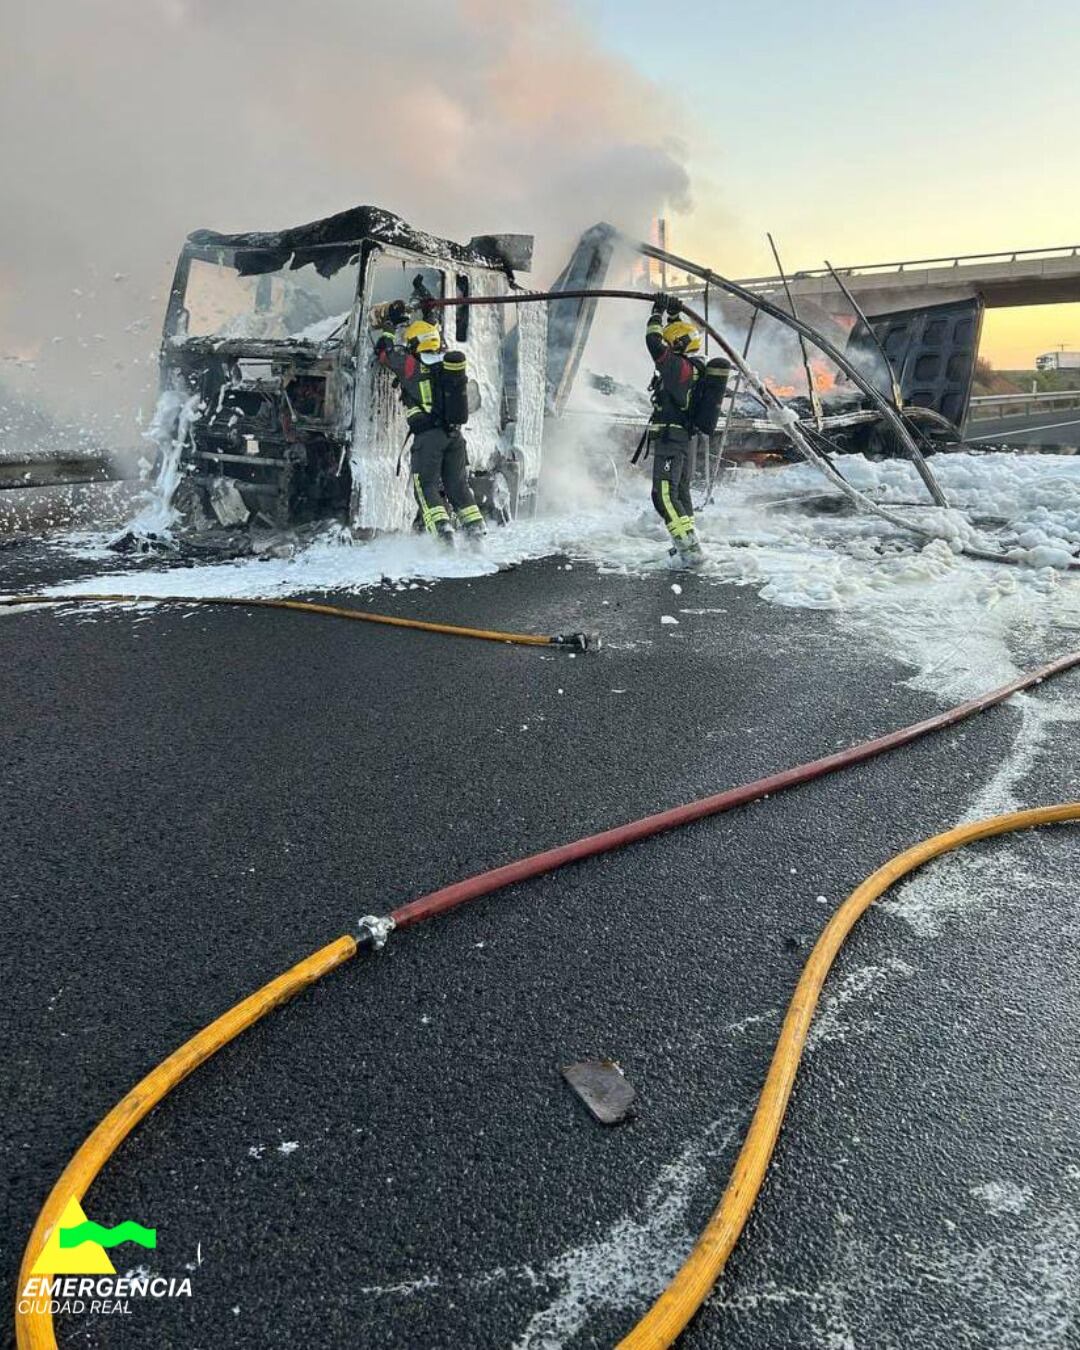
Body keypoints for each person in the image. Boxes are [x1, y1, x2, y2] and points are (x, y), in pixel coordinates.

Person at [375, 299, 486, 545]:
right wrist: (430, 317)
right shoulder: (447, 363)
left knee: (425, 487)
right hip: (455, 436)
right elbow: (432, 338)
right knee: (458, 487)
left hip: (429, 439)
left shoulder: (413, 365)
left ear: (415, 344)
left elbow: (384, 352)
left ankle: (442, 537)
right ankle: (476, 533)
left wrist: (390, 325)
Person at [644, 293, 704, 566]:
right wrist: (674, 316)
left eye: (672, 343)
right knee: (679, 492)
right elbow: (673, 339)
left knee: (664, 495)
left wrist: (656, 313)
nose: (668, 345)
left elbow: (653, 342)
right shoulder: (691, 367)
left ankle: (689, 549)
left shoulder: (678, 368)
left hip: (672, 439)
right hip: (683, 438)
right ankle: (688, 544)